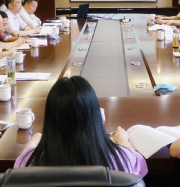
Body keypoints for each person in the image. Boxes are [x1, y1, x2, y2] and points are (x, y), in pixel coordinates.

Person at [15, 76, 147, 177]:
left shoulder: (31, 162)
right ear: (95, 116)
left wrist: (33, 141)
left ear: (51, 119)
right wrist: (123, 140)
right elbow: (139, 164)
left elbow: (19, 164)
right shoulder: (121, 159)